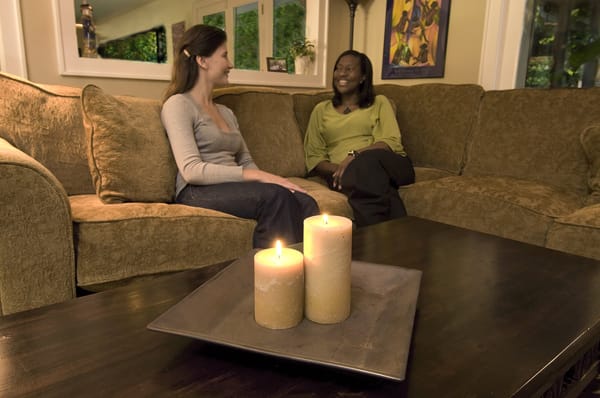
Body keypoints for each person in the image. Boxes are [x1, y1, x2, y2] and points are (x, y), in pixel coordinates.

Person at [161, 24, 319, 248]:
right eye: (224, 55)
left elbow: (245, 161)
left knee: (306, 201)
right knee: (275, 197)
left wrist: (269, 179)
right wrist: (260, 178)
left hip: (230, 187)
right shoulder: (178, 105)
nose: (230, 64)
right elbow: (191, 170)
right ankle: (269, 278)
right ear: (202, 60)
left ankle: (307, 274)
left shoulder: (226, 112)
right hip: (195, 191)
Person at [304, 50, 415, 227]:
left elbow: (390, 141)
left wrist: (354, 156)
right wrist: (343, 168)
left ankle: (374, 242)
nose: (341, 73)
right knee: (368, 179)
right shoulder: (320, 110)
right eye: (338, 68)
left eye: (349, 69)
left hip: (391, 164)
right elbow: (314, 156)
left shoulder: (379, 102)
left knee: (366, 165)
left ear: (363, 77)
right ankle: (399, 237)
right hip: (346, 174)